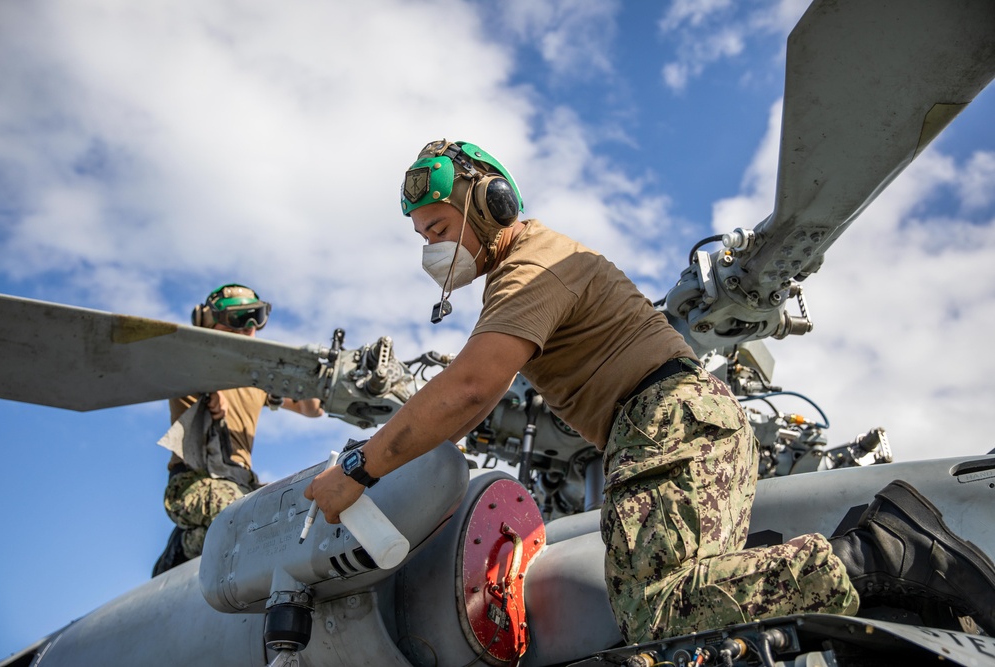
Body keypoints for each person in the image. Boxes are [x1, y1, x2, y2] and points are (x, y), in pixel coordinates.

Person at [304, 140, 995, 641]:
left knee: (658, 609)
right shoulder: (528, 268)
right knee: (673, 641)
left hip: (662, 422)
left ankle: (883, 552)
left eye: (438, 228)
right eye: (422, 236)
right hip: (679, 422)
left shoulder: (531, 265)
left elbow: (472, 388)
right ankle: (858, 564)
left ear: (491, 204)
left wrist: (361, 468)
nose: (430, 248)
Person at [153, 283, 323, 576]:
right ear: (208, 321)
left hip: (241, 482)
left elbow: (312, 409)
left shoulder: (257, 379)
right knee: (244, 521)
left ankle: (196, 540)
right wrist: (211, 394)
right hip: (195, 482)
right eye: (238, 318)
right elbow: (189, 374)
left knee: (290, 515)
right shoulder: (191, 364)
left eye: (257, 316)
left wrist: (317, 380)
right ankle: (182, 548)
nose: (249, 328)